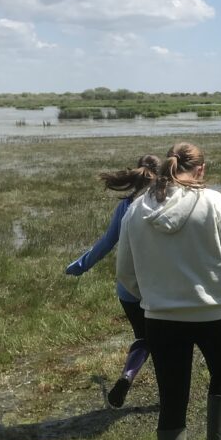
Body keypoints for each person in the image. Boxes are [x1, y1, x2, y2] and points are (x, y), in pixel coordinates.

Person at [116, 142, 221, 440]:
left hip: (161, 320)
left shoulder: (136, 210)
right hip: (216, 315)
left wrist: (155, 297)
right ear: (200, 170)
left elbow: (125, 273)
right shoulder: (216, 204)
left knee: (172, 400)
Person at [66, 154, 160, 409]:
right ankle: (169, 395)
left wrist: (81, 264)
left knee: (143, 338)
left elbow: (108, 242)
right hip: (157, 288)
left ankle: (128, 375)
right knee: (164, 341)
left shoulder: (126, 206)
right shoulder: (164, 203)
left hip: (128, 290)